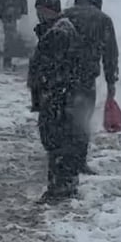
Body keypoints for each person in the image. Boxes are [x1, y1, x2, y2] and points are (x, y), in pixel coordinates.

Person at [59, 0, 118, 174]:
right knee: (83, 119)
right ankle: (79, 161)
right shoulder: (103, 20)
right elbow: (110, 55)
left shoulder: (64, 16)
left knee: (63, 117)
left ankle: (62, 157)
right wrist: (111, 82)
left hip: (62, 76)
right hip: (85, 79)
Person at [28, 17, 84, 202]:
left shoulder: (51, 41)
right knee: (62, 140)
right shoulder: (69, 42)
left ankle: (59, 185)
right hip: (62, 98)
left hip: (55, 99)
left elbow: (36, 73)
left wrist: (41, 98)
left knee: (56, 142)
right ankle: (64, 182)